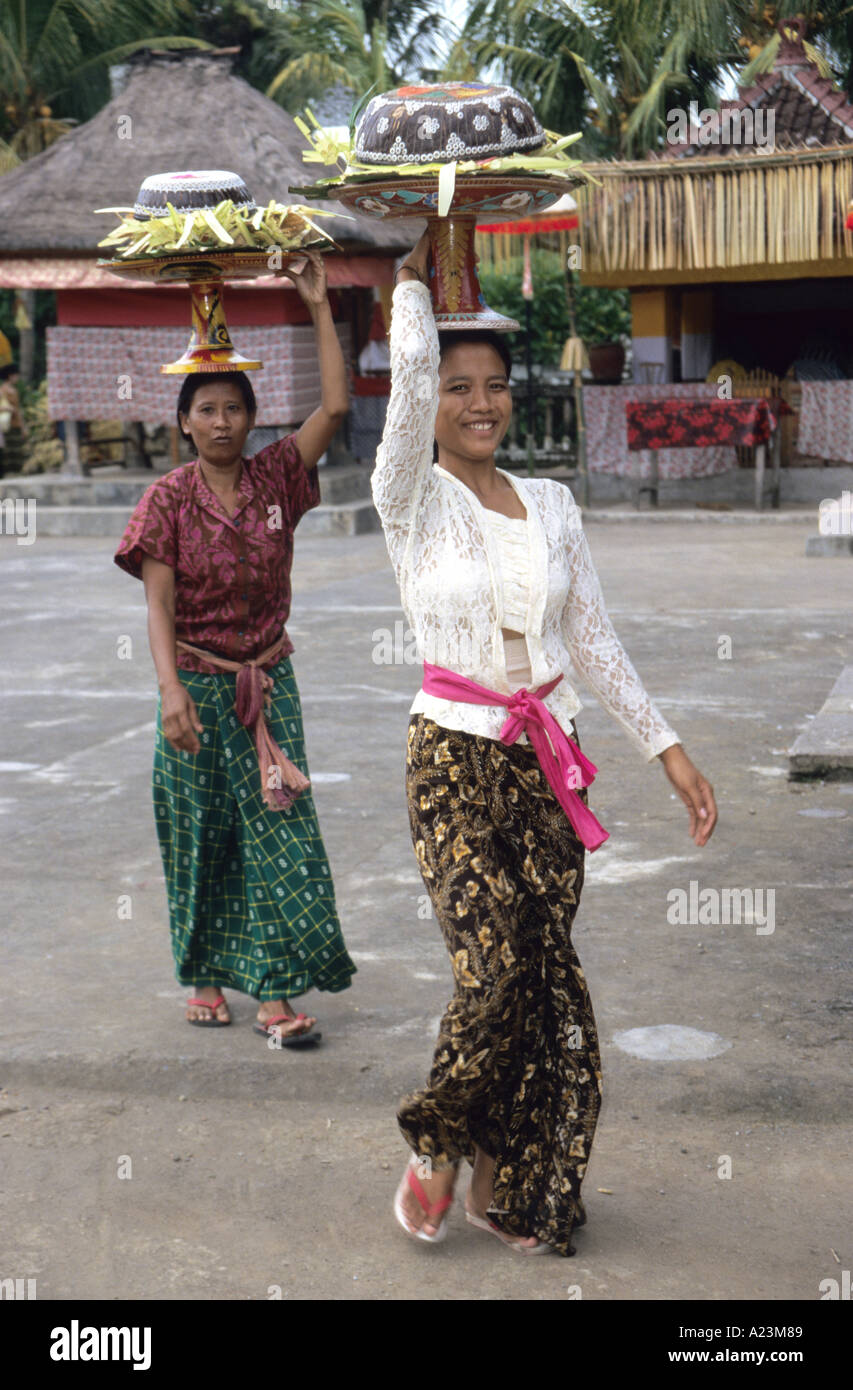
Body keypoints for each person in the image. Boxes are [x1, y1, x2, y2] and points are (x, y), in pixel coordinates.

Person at [375, 231, 718, 1254]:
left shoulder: (555, 506)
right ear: (432, 397)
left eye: (496, 387)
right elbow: (404, 386)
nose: (479, 404)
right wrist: (410, 281)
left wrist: (667, 748)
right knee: (490, 969)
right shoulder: (410, 499)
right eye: (457, 386)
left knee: (543, 984)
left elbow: (593, 638)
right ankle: (436, 1142)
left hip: (546, 761)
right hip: (450, 757)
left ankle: (507, 1183)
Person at [114, 250, 356, 1043]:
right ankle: (207, 976)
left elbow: (336, 408)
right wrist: (169, 692)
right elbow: (158, 604)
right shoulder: (166, 500)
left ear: (252, 418)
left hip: (268, 684)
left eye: (233, 409)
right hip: (194, 682)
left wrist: (318, 305)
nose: (221, 422)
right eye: (206, 410)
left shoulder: (279, 478)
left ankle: (276, 996)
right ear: (183, 421)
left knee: (278, 832)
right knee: (202, 831)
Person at [0, 363, 29, 477]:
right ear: (10, 376)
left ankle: (17, 472)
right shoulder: (2, 390)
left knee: (17, 449)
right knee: (8, 451)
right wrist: (6, 408)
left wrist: (23, 426)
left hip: (16, 423)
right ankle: (8, 473)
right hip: (6, 424)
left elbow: (18, 410)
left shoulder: (14, 390)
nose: (17, 378)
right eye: (16, 375)